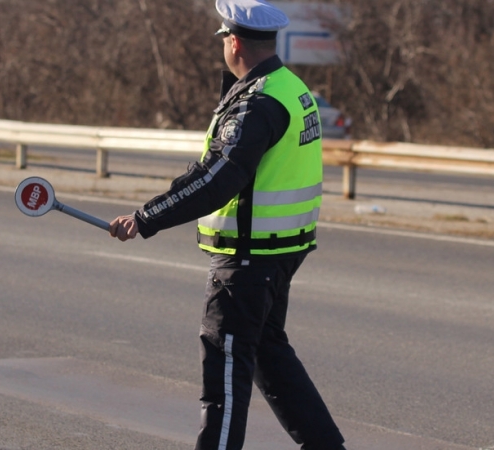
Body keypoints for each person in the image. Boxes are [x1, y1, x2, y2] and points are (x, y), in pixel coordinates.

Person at [109, 0, 346, 448]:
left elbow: (217, 179)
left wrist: (146, 218)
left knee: (226, 372)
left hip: (247, 260)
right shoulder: (291, 87)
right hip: (277, 252)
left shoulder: (257, 103)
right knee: (268, 355)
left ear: (233, 41)